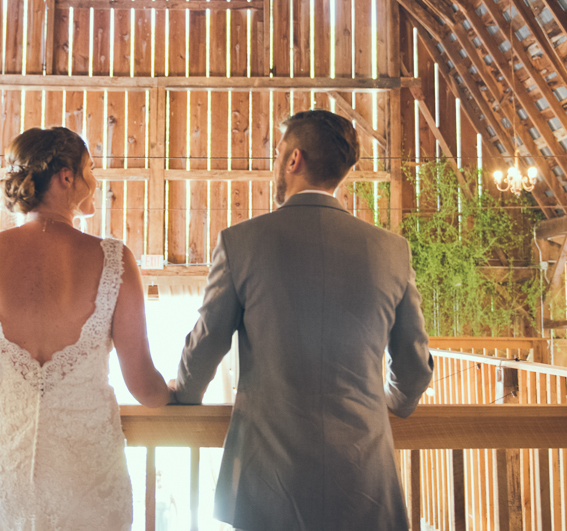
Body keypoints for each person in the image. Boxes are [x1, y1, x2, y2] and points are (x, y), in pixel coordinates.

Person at [172, 109, 433, 531]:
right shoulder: (391, 251)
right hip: (364, 481)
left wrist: (183, 394)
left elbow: (206, 345)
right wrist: (389, 404)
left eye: (279, 151)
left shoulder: (241, 243)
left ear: (294, 159)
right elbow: (414, 371)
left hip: (268, 484)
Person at [0, 126, 170, 531]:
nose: (95, 182)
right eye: (90, 171)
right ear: (67, 177)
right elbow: (144, 389)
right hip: (88, 475)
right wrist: (177, 392)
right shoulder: (114, 260)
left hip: (5, 469)